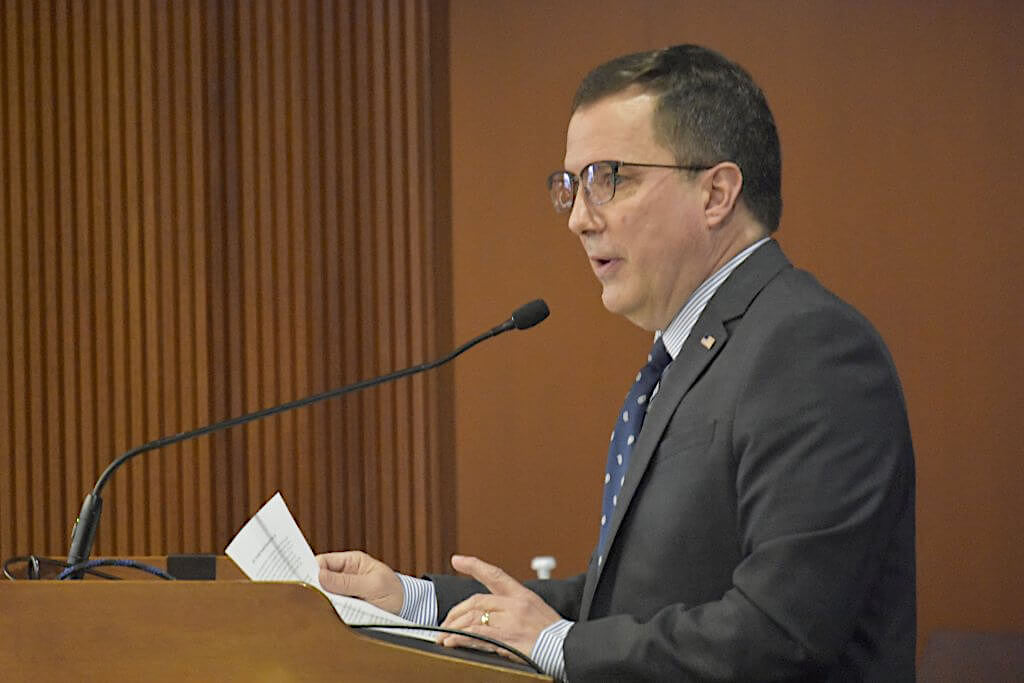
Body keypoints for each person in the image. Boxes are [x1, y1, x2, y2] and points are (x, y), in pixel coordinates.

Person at [317, 44, 916, 681]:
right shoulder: (694, 354)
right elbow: (624, 605)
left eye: (609, 178)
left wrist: (559, 647)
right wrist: (411, 603)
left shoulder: (811, 349)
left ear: (716, 193)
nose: (579, 218)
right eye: (571, 186)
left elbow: (780, 633)